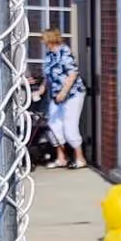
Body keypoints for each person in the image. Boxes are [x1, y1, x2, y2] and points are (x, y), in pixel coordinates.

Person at [40, 29, 86, 170]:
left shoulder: (64, 52)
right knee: (54, 125)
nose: (42, 42)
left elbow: (72, 74)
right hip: (56, 96)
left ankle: (80, 158)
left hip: (72, 94)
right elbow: (48, 76)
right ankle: (61, 158)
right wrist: (42, 88)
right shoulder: (49, 55)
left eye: (44, 39)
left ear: (50, 39)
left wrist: (64, 92)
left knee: (70, 126)